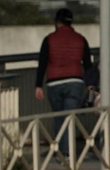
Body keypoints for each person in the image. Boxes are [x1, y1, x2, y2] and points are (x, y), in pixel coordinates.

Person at [34, 8, 93, 155]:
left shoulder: (49, 39)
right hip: (75, 81)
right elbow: (88, 64)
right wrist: (91, 85)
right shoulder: (81, 39)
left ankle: (62, 151)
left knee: (59, 118)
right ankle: (68, 152)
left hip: (54, 82)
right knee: (70, 118)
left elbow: (42, 63)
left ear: (57, 22)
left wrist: (38, 85)